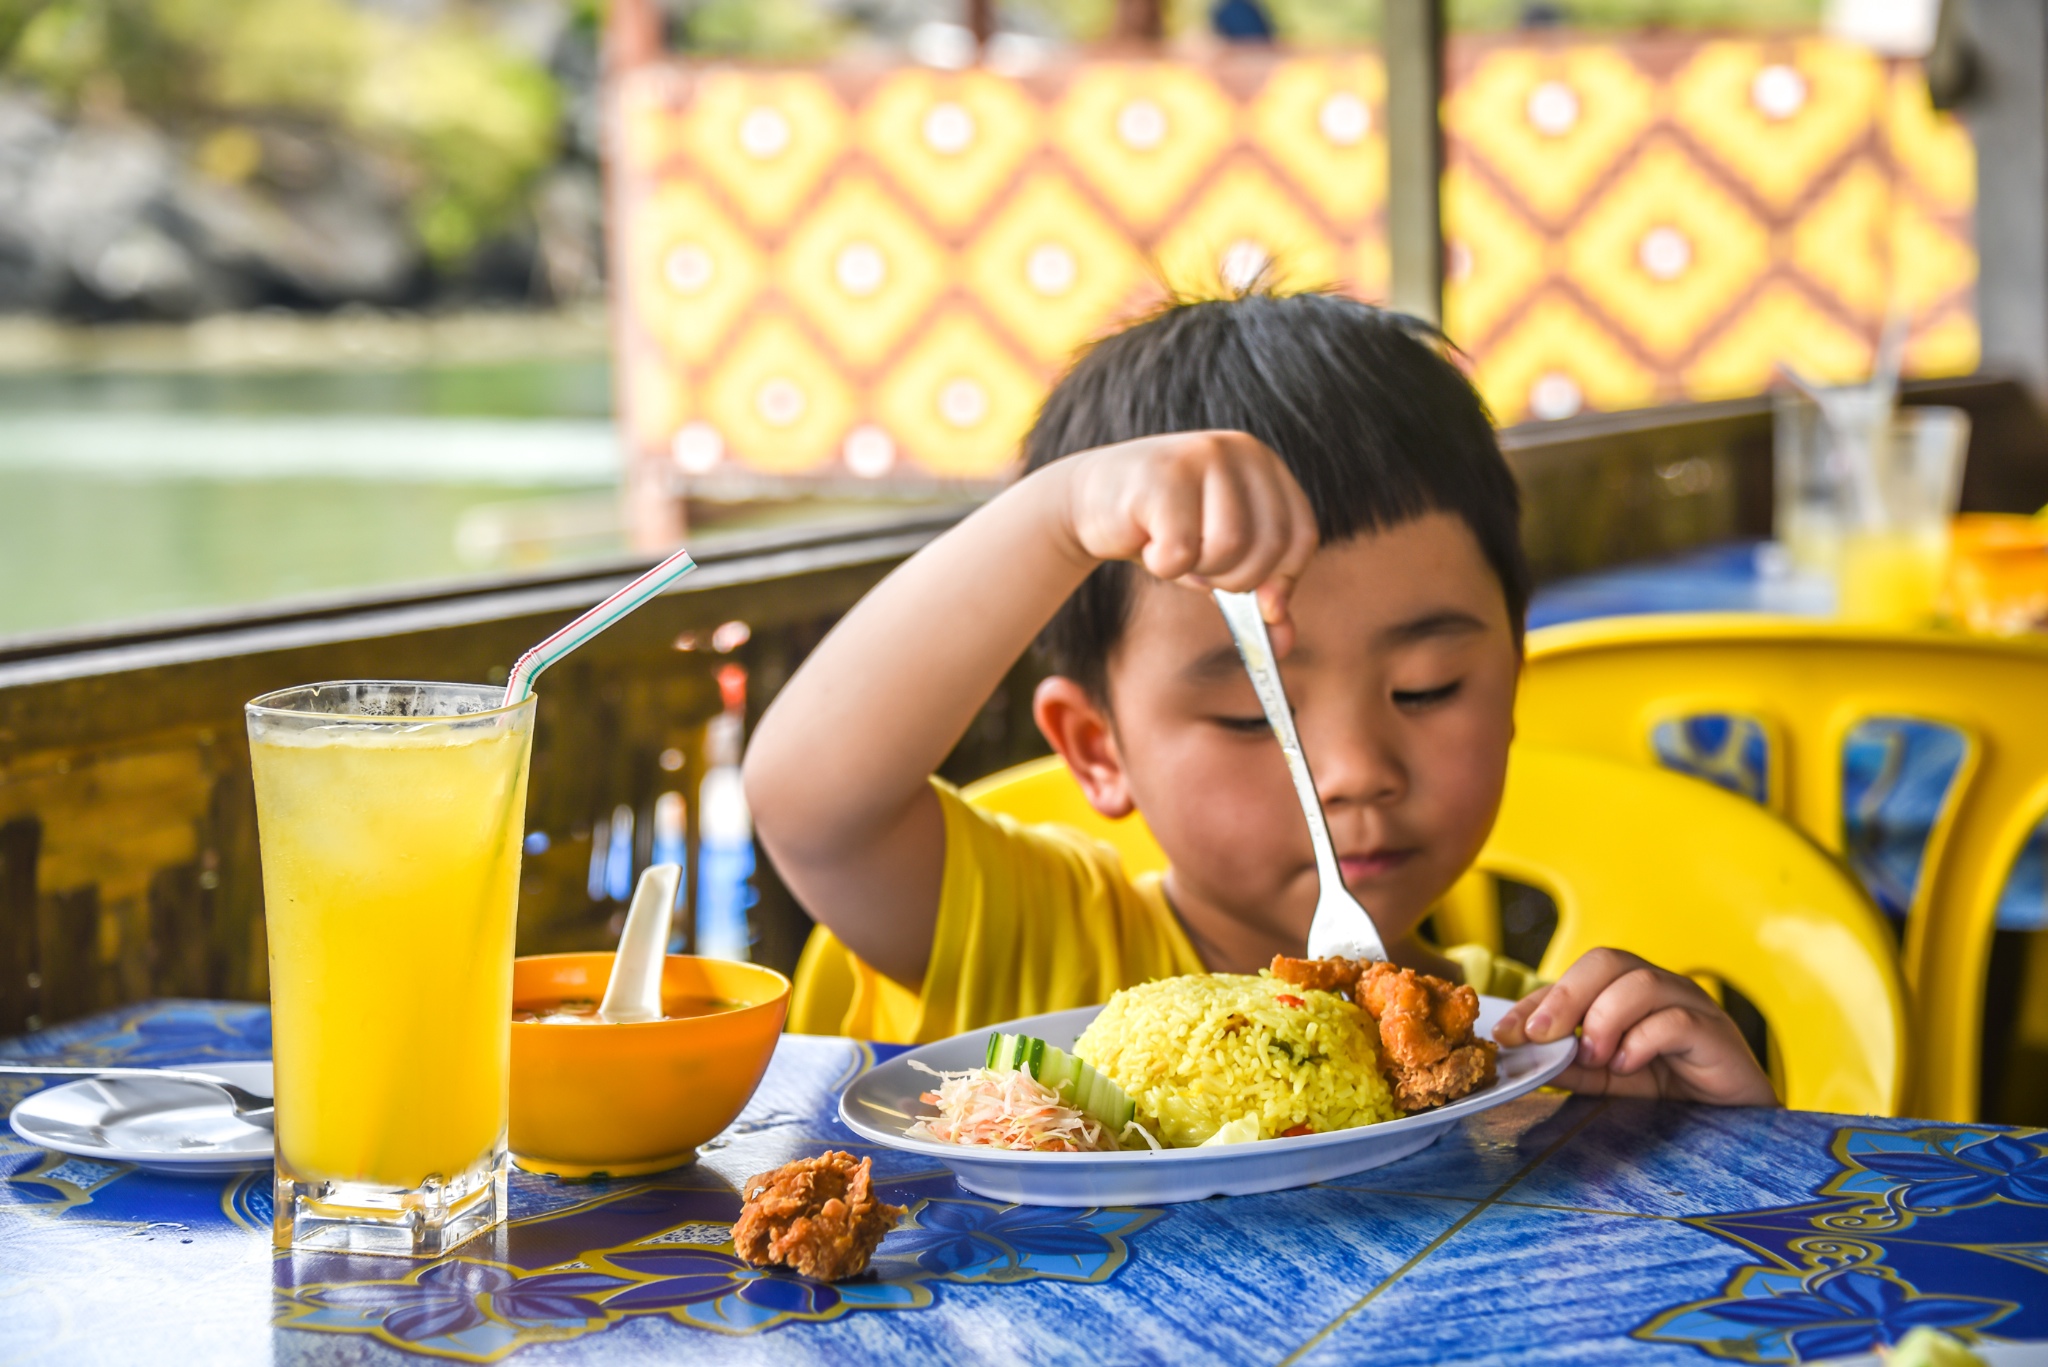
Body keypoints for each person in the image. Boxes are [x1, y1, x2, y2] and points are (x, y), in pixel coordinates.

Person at [745, 291, 1775, 1108]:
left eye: (1426, 687)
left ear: (1511, 687)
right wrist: (1060, 517)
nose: (1356, 768)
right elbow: (810, 801)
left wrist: (1700, 1136)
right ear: (1096, 748)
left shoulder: (1502, 1045)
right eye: (1254, 715)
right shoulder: (1043, 940)